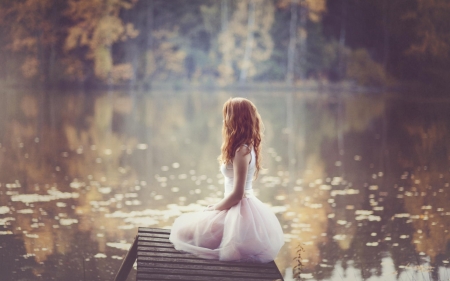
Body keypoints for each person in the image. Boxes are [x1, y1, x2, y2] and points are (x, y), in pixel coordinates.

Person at [169, 97, 284, 263]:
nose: (224, 120)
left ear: (236, 120)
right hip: (236, 208)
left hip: (238, 210)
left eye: (227, 115)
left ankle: (236, 245)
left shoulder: (241, 151)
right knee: (187, 230)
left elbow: (238, 194)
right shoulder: (246, 146)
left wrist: (215, 208)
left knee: (181, 233)